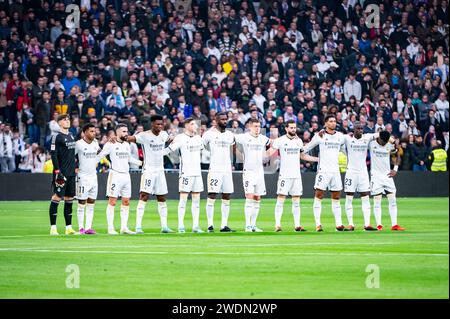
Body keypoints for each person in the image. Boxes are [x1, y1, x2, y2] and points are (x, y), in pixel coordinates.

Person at [267, 120, 318, 232]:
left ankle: (297, 225)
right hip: (284, 175)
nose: (293, 130)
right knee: (281, 199)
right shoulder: (280, 141)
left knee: (296, 200)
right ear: (286, 128)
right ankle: (277, 225)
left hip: (296, 175)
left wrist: (318, 159)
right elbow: (269, 153)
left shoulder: (298, 141)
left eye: (294, 128)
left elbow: (302, 156)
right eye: (291, 128)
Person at [129, 115, 174, 234]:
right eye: (157, 124)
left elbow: (170, 140)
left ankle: (164, 226)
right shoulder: (144, 135)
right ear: (152, 124)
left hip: (160, 171)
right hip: (148, 170)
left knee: (162, 197)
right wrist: (119, 137)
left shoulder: (164, 135)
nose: (160, 126)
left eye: (161, 124)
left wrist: (173, 139)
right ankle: (138, 226)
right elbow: (131, 138)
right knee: (144, 196)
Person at [303, 114, 347, 232]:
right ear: (326, 123)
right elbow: (307, 148)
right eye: (331, 121)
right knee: (319, 195)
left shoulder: (340, 136)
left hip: (335, 171)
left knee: (336, 197)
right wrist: (298, 151)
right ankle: (318, 224)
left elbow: (344, 151)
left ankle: (339, 225)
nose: (333, 123)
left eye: (334, 121)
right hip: (323, 170)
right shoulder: (319, 136)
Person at [96, 124, 141, 235]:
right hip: (115, 175)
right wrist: (91, 165)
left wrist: (141, 163)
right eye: (124, 131)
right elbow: (100, 155)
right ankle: (110, 228)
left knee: (126, 201)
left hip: (126, 175)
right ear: (117, 133)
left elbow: (129, 158)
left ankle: (124, 228)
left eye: (127, 131)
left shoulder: (126, 144)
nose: (126, 133)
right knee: (112, 201)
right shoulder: (110, 144)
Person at [164, 117, 205, 233]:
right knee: (183, 200)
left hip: (197, 173)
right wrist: (157, 154)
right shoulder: (180, 138)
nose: (195, 126)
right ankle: (181, 225)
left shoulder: (198, 138)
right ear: (186, 125)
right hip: (186, 172)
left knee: (196, 200)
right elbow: (169, 150)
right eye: (192, 124)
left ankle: (195, 226)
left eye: (196, 124)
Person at [202, 112, 236, 233]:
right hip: (215, 169)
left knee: (226, 196)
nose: (225, 121)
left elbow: (233, 148)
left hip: (227, 169)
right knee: (212, 195)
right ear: (216, 121)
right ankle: (210, 225)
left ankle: (224, 225)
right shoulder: (208, 134)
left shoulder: (230, 135)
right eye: (222, 119)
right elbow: (202, 146)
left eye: (226, 119)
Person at [234, 118, 270, 232]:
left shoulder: (263, 139)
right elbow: (231, 139)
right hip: (249, 171)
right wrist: (239, 156)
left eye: (259, 126)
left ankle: (254, 225)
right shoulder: (244, 137)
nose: (257, 128)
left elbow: (274, 143)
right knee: (249, 197)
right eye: (255, 126)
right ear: (249, 127)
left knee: (257, 198)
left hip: (260, 172)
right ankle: (247, 225)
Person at [342, 122, 379, 231]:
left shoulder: (367, 137)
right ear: (353, 129)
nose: (360, 130)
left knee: (366, 197)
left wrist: (390, 138)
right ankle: (350, 224)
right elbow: (335, 137)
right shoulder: (347, 138)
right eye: (358, 128)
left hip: (363, 172)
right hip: (351, 172)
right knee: (349, 197)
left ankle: (367, 224)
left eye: (362, 128)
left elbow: (378, 134)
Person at [369, 131, 405, 231]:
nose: (385, 143)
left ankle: (394, 225)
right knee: (377, 201)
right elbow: (374, 134)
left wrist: (395, 169)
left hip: (387, 176)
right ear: (379, 138)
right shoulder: (371, 143)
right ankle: (379, 225)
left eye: (386, 141)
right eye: (383, 141)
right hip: (375, 176)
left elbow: (398, 154)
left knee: (393, 200)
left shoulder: (389, 145)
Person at [48, 114, 77, 235]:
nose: (67, 121)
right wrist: (57, 171)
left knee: (69, 198)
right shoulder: (56, 137)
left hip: (71, 173)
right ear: (59, 123)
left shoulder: (71, 135)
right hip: (61, 173)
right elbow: (53, 154)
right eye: (64, 120)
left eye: (68, 119)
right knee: (57, 197)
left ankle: (68, 227)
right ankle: (53, 228)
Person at [74, 123, 100, 235]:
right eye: (91, 131)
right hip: (83, 177)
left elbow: (99, 154)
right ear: (84, 132)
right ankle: (81, 228)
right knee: (81, 202)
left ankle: (89, 227)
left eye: (94, 131)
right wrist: (75, 168)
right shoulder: (78, 144)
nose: (94, 133)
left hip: (93, 177)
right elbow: (71, 157)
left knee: (91, 202)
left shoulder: (96, 143)